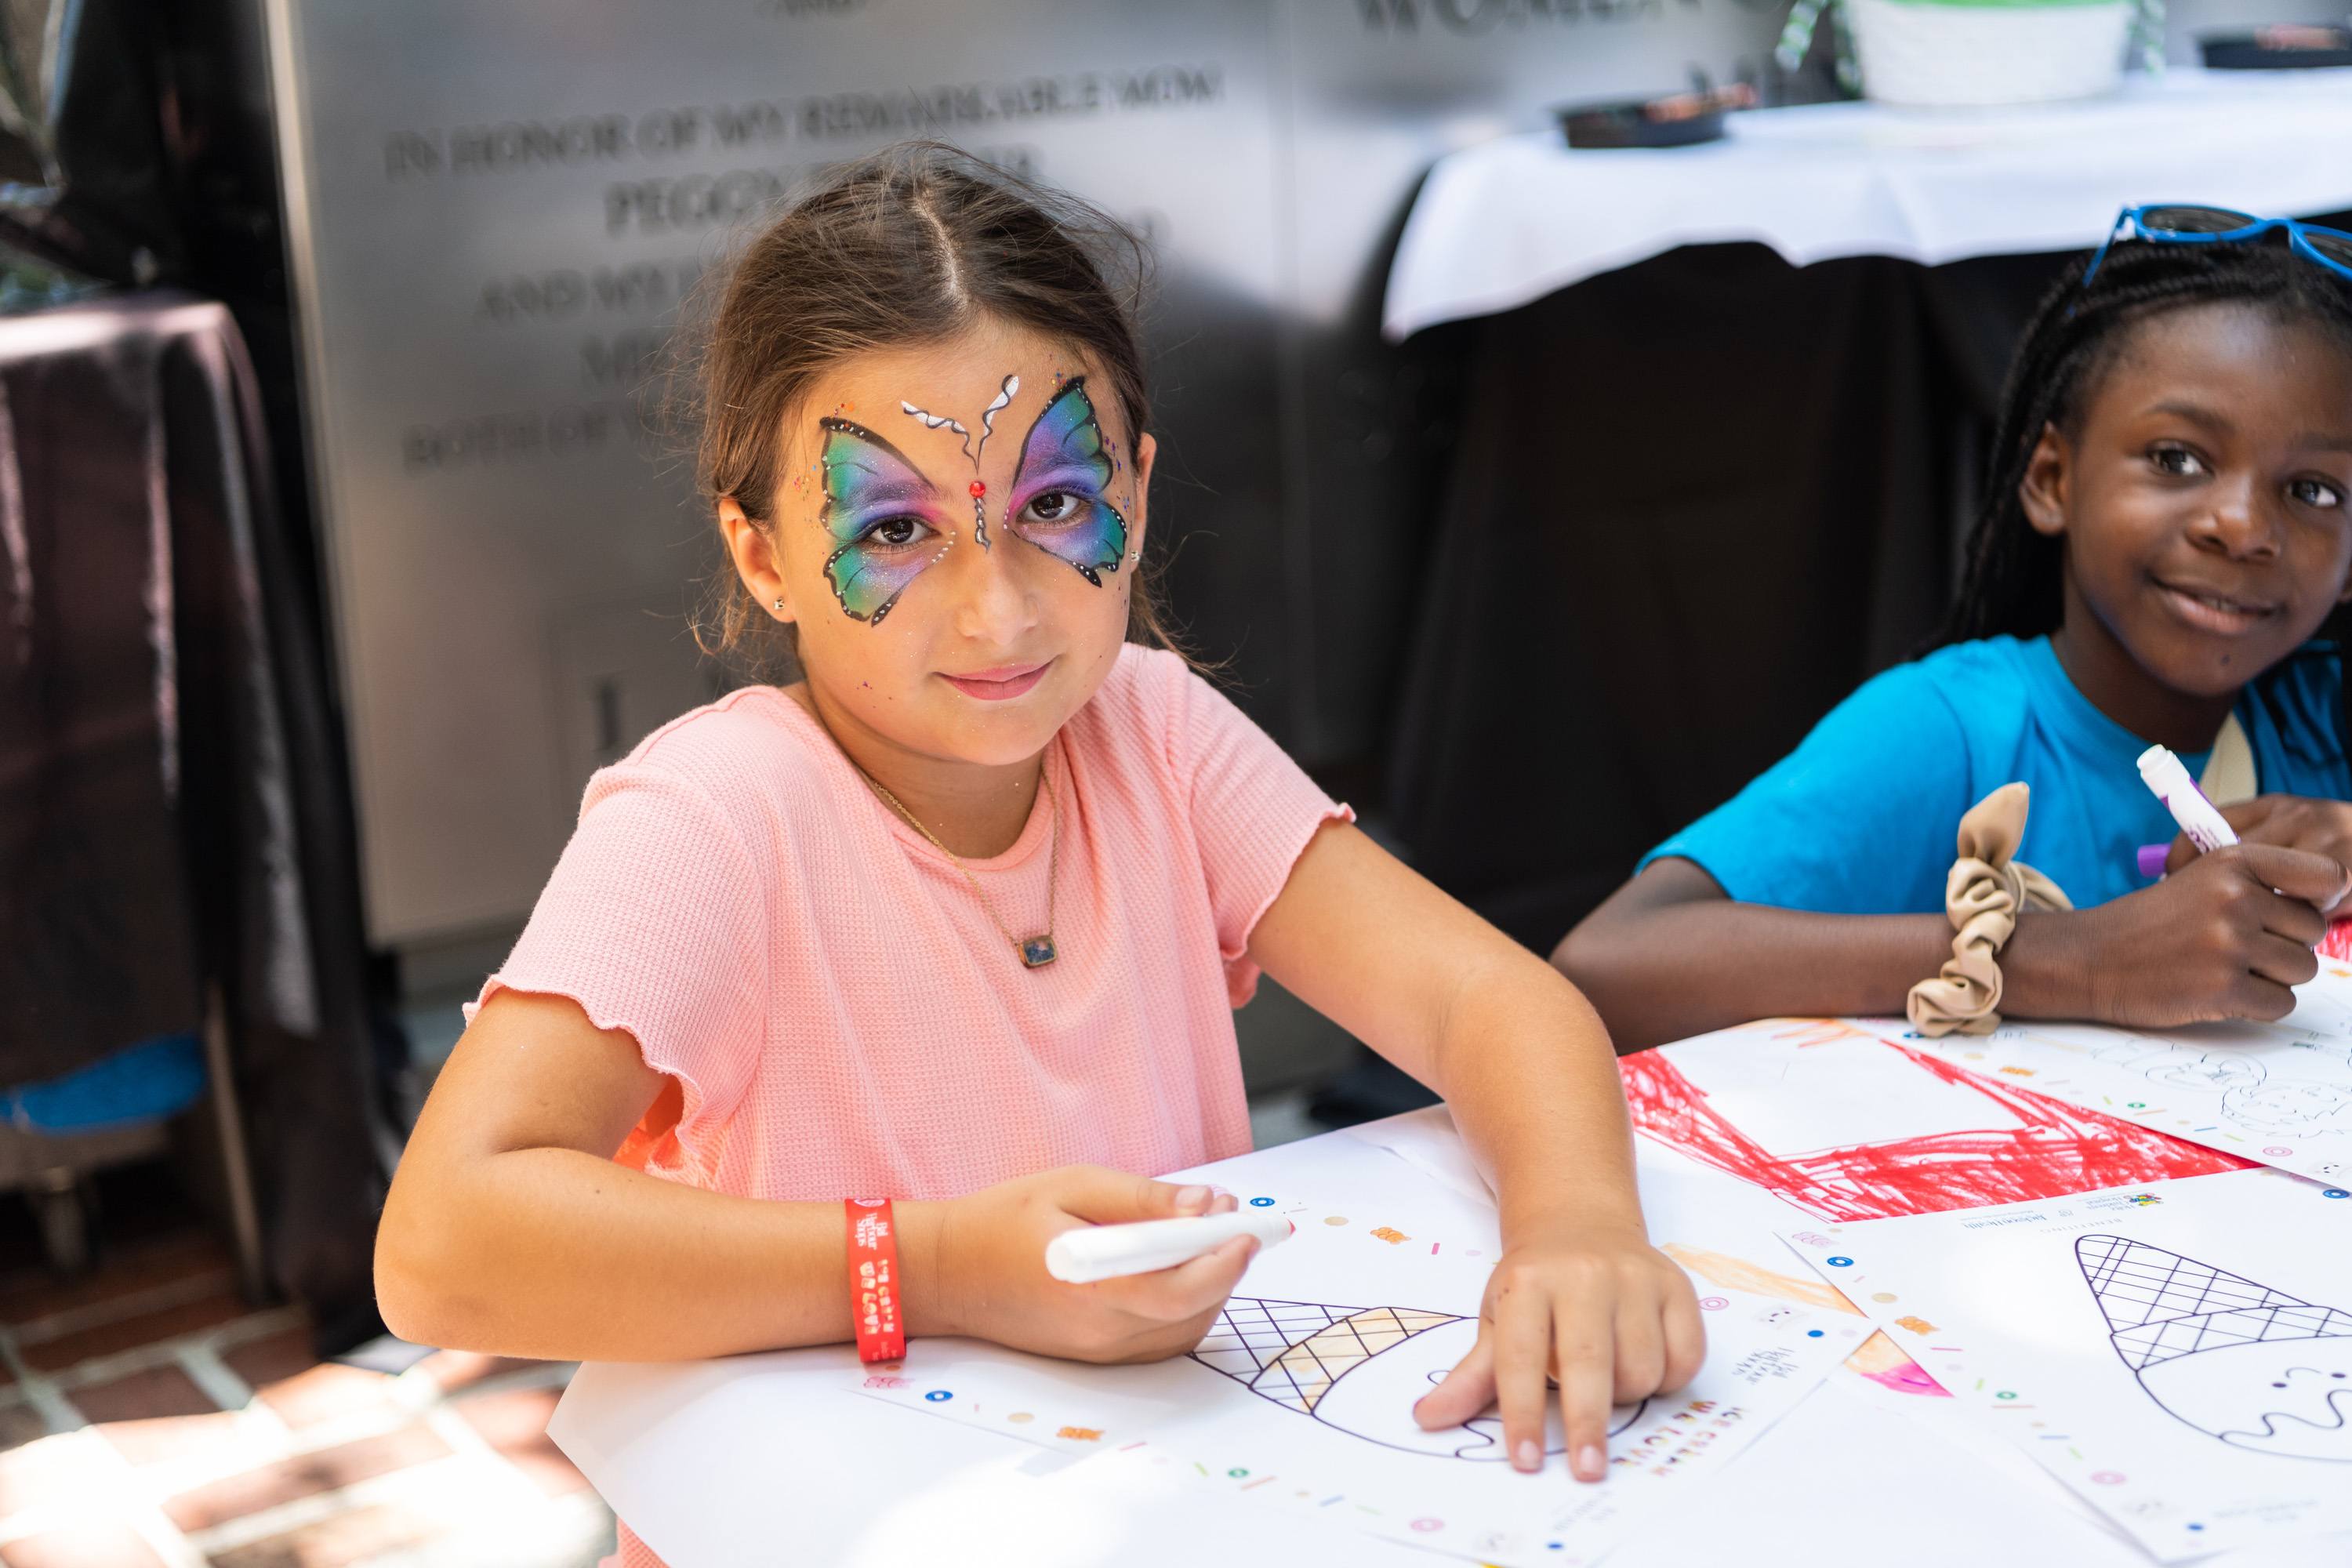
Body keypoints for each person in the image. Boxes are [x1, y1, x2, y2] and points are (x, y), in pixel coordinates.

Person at [374, 143, 1702, 1567]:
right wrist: (937, 1271)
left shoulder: (1153, 730)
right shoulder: (714, 818)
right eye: (896, 529)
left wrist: (1575, 1225)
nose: (998, 615)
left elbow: (1489, 1001)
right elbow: (444, 1244)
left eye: (1054, 507)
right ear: (761, 554)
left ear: (1134, 483)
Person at [1557, 210, 2352, 1051]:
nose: (2241, 526)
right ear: (2051, 479)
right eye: (2176, 459)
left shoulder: (2320, 711)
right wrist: (2068, 957)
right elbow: (1601, 969)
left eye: (2314, 492)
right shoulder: (1951, 731)